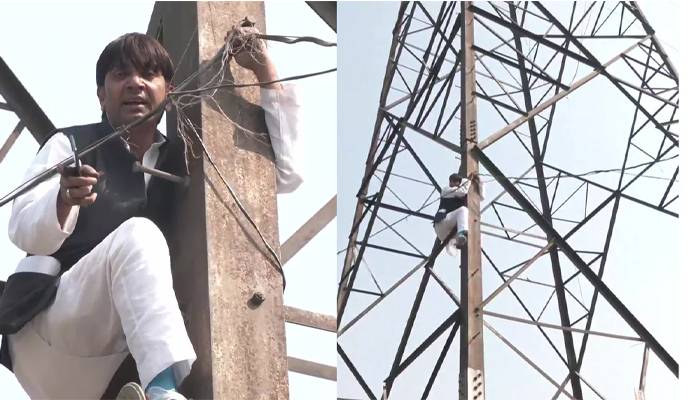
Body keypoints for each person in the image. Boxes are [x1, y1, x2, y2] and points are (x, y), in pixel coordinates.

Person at [0, 28, 301, 400]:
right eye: (121, 75)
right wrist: (63, 200)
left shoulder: (189, 160)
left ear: (170, 93)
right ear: (100, 94)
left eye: (148, 74)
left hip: (105, 373)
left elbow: (281, 176)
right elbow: (24, 232)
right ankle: (162, 391)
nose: (135, 84)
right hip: (45, 335)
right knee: (139, 234)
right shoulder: (70, 144)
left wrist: (265, 70)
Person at [433, 173, 481, 253]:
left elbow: (463, 192)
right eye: (453, 182)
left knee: (468, 230)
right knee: (463, 210)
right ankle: (461, 234)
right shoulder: (446, 190)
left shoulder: (459, 196)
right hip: (441, 224)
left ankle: (457, 242)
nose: (454, 185)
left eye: (457, 183)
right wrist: (468, 180)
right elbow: (462, 192)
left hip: (447, 232)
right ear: (450, 182)